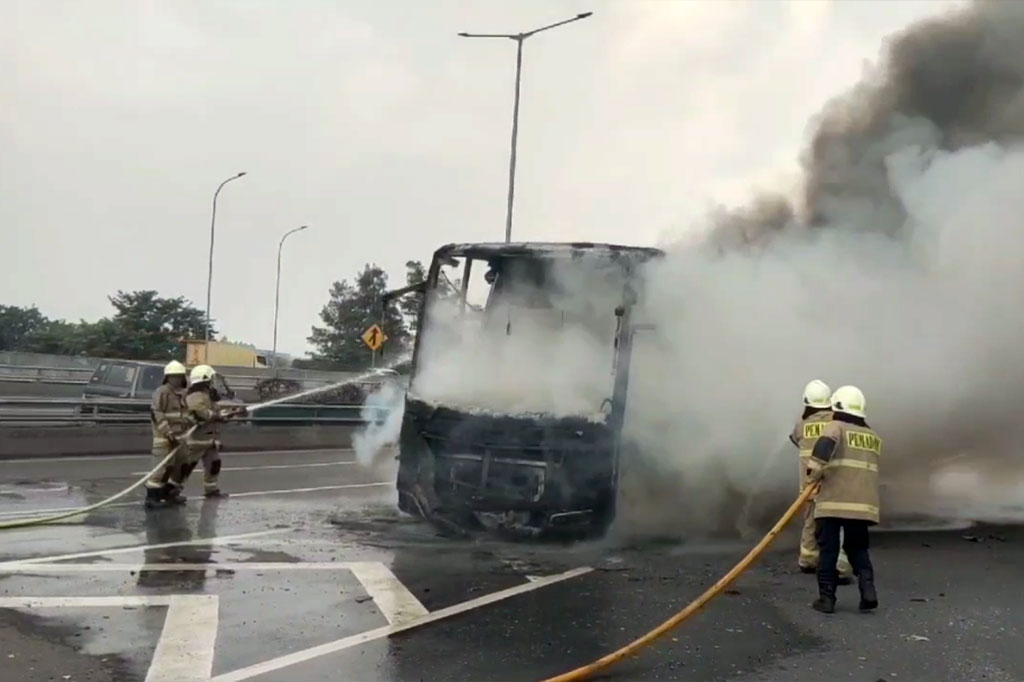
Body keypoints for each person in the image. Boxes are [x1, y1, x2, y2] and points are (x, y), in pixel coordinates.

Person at [806, 385, 881, 614]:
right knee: (857, 549)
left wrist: (813, 475)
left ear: (837, 405)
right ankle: (868, 592)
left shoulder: (835, 427)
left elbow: (821, 454)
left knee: (828, 550)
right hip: (862, 506)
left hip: (832, 502)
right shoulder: (871, 435)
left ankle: (826, 600)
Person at [789, 379, 853, 583]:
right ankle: (840, 565)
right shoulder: (837, 423)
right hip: (832, 485)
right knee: (838, 525)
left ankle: (808, 559)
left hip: (808, 486)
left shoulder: (802, 425)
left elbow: (794, 439)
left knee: (810, 521)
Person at [181, 364, 245, 498]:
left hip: (209, 440)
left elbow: (216, 413)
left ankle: (211, 490)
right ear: (205, 379)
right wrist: (217, 415)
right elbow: (200, 412)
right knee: (185, 468)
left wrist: (233, 413)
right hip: (196, 440)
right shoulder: (195, 396)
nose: (213, 383)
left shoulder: (207, 396)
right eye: (211, 379)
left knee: (214, 464)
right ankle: (171, 491)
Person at [144, 361, 190, 509]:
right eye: (172, 377)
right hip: (164, 438)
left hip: (180, 438)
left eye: (178, 376)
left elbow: (186, 414)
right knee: (161, 468)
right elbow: (157, 413)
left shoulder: (183, 393)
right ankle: (152, 498)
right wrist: (168, 432)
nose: (176, 379)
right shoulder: (162, 392)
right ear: (167, 377)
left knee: (179, 467)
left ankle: (168, 493)